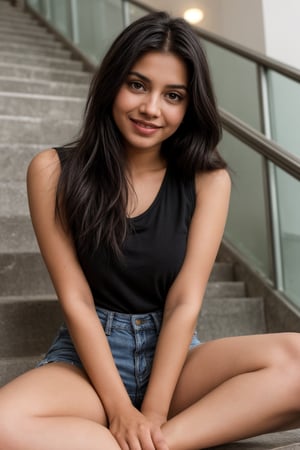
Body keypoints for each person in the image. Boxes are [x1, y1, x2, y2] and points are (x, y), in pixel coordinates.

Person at [0, 11, 300, 450]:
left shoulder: (209, 181)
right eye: (137, 85)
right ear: (112, 83)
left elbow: (184, 300)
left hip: (175, 360)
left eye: (173, 95)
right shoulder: (53, 171)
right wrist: (120, 411)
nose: (151, 108)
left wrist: (153, 415)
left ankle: (161, 443)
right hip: (88, 362)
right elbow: (77, 300)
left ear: (190, 104)